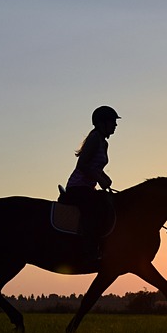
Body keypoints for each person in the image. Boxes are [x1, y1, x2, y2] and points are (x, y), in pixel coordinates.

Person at [64, 106, 119, 261]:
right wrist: (100, 178)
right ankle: (90, 248)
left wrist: (104, 177)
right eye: (113, 122)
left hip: (88, 187)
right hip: (78, 187)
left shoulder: (103, 143)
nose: (115, 125)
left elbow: (95, 166)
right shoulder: (95, 138)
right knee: (97, 209)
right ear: (102, 123)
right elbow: (82, 165)